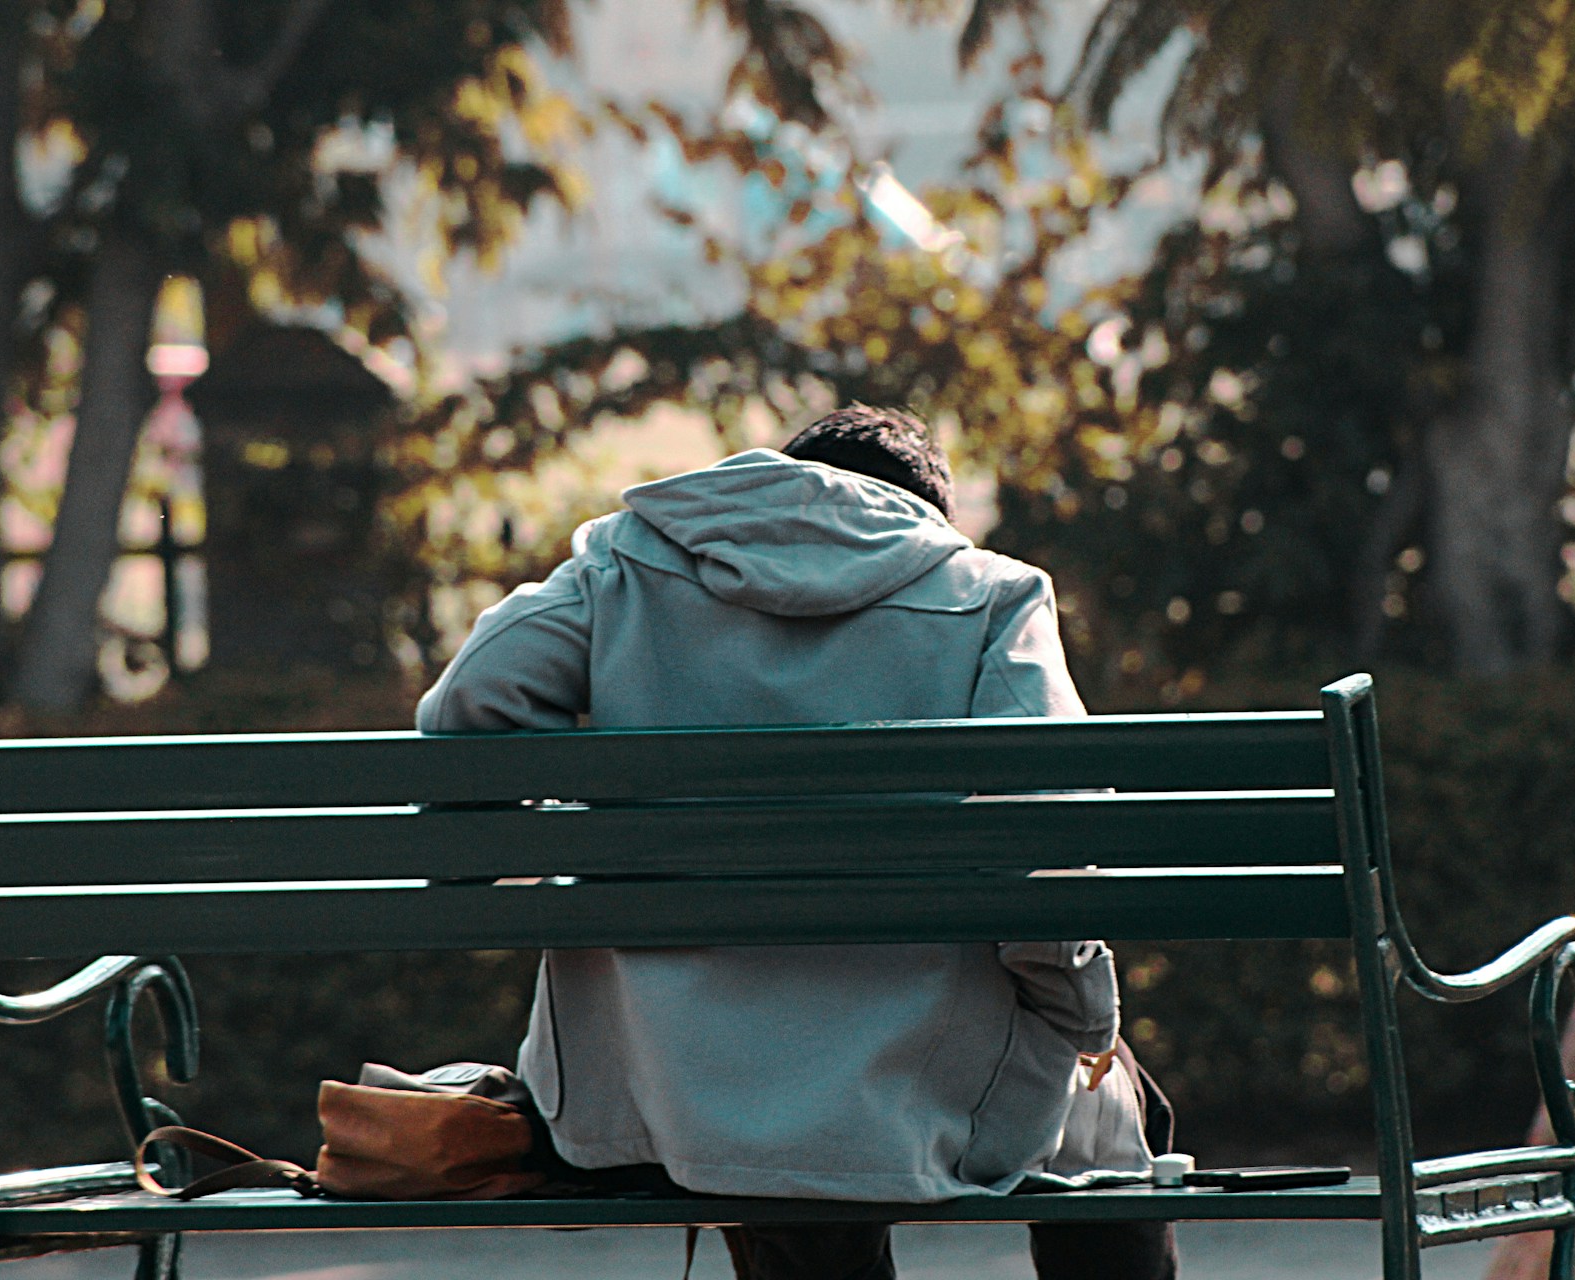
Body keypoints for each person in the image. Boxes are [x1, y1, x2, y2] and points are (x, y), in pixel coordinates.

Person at [417, 405, 1177, 1280]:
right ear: (926, 514)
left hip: (667, 1092)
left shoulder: (618, 566)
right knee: (1118, 1113)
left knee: (778, 1158)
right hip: (922, 1081)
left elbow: (467, 710)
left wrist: (535, 844)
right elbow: (1051, 844)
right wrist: (1083, 1019)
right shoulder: (989, 594)